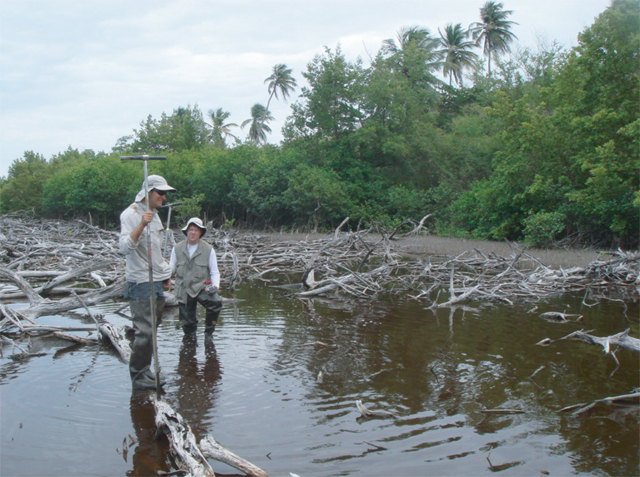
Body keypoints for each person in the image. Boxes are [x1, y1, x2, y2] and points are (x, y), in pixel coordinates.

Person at [119, 174, 175, 390]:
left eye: (165, 193)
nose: (164, 196)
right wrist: (141, 224)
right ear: (149, 192)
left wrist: (165, 272)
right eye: (160, 192)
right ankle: (138, 376)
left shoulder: (156, 215)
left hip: (155, 278)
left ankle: (145, 369)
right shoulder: (131, 214)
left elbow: (154, 251)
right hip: (140, 280)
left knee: (153, 327)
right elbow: (124, 248)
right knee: (145, 330)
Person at [169, 217, 223, 337]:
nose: (193, 232)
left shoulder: (209, 249)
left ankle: (209, 333)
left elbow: (214, 272)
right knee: (188, 325)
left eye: (196, 230)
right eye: (190, 229)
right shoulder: (176, 249)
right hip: (183, 288)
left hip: (201, 286)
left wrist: (215, 286)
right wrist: (165, 273)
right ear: (186, 232)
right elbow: (171, 268)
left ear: (200, 233)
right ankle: (190, 341)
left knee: (216, 303)